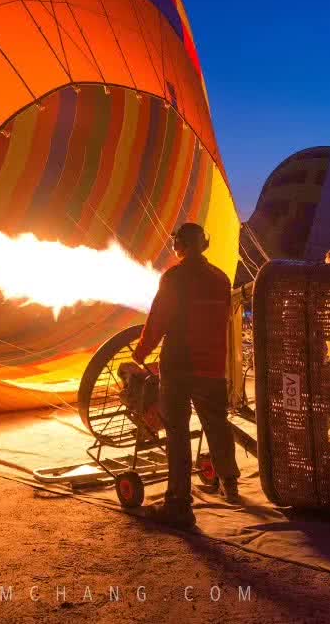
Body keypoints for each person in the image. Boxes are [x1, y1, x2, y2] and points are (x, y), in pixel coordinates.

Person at [132, 222, 240, 529]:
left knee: (177, 432)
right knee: (217, 423)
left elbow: (157, 321)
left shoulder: (175, 278)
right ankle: (230, 484)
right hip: (212, 367)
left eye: (176, 243)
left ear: (180, 245)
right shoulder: (220, 278)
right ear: (203, 244)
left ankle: (178, 503)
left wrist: (140, 354)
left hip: (180, 366)